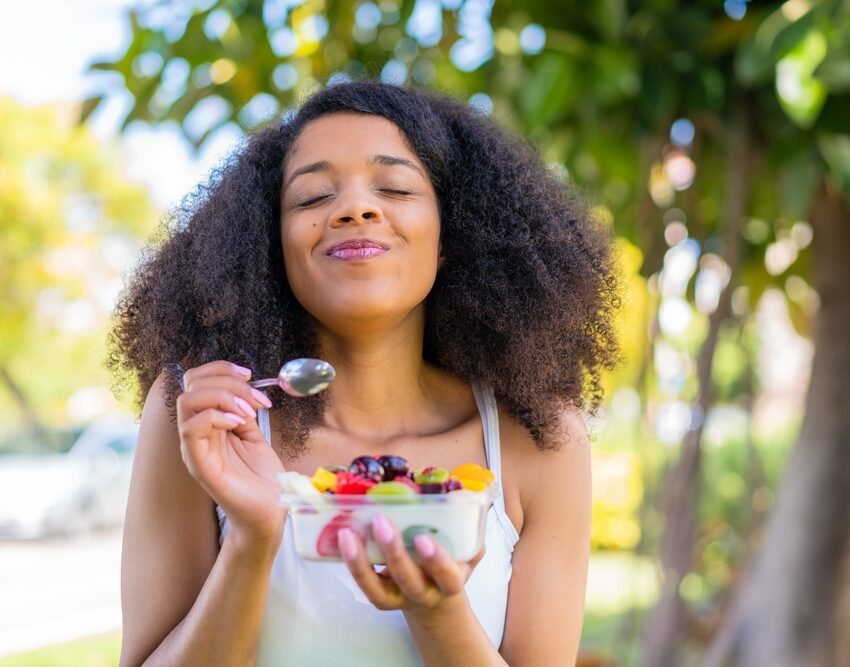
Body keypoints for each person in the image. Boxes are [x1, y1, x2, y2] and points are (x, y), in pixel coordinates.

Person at [111, 80, 619, 666]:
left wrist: (437, 610)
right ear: (271, 244)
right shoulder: (208, 420)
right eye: (311, 198)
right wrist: (251, 541)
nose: (354, 208)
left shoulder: (538, 439)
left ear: (449, 236)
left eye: (394, 187)